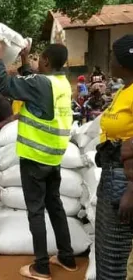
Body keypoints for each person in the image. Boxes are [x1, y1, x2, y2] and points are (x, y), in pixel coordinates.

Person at [0, 34, 76, 279]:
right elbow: (34, 84)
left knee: (35, 211)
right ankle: (67, 257)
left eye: (39, 60)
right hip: (53, 157)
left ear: (45, 60)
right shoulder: (61, 84)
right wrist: (25, 60)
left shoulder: (40, 84)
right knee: (55, 206)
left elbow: (6, 87)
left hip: (35, 157)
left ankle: (41, 266)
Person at [93, 34, 133, 280]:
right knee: (106, 249)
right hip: (111, 174)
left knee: (117, 253)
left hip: (125, 180)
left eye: (112, 55)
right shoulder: (123, 90)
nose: (108, 60)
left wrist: (132, 188)